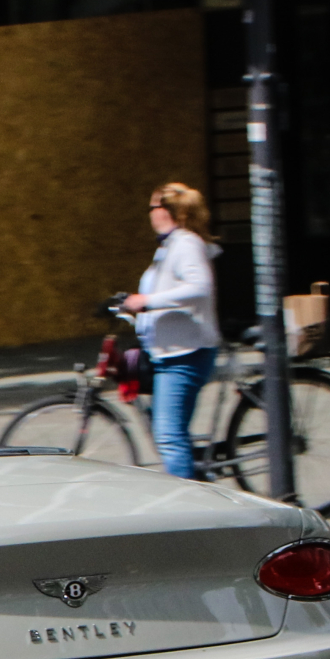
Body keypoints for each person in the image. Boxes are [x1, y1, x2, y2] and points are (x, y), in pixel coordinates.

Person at [122, 182, 220, 479]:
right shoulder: (169, 246)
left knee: (169, 436)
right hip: (167, 352)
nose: (150, 213)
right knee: (171, 432)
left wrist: (148, 301)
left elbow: (199, 286)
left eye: (153, 206)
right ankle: (200, 482)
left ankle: (191, 510)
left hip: (185, 354)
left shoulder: (186, 243)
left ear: (167, 211)